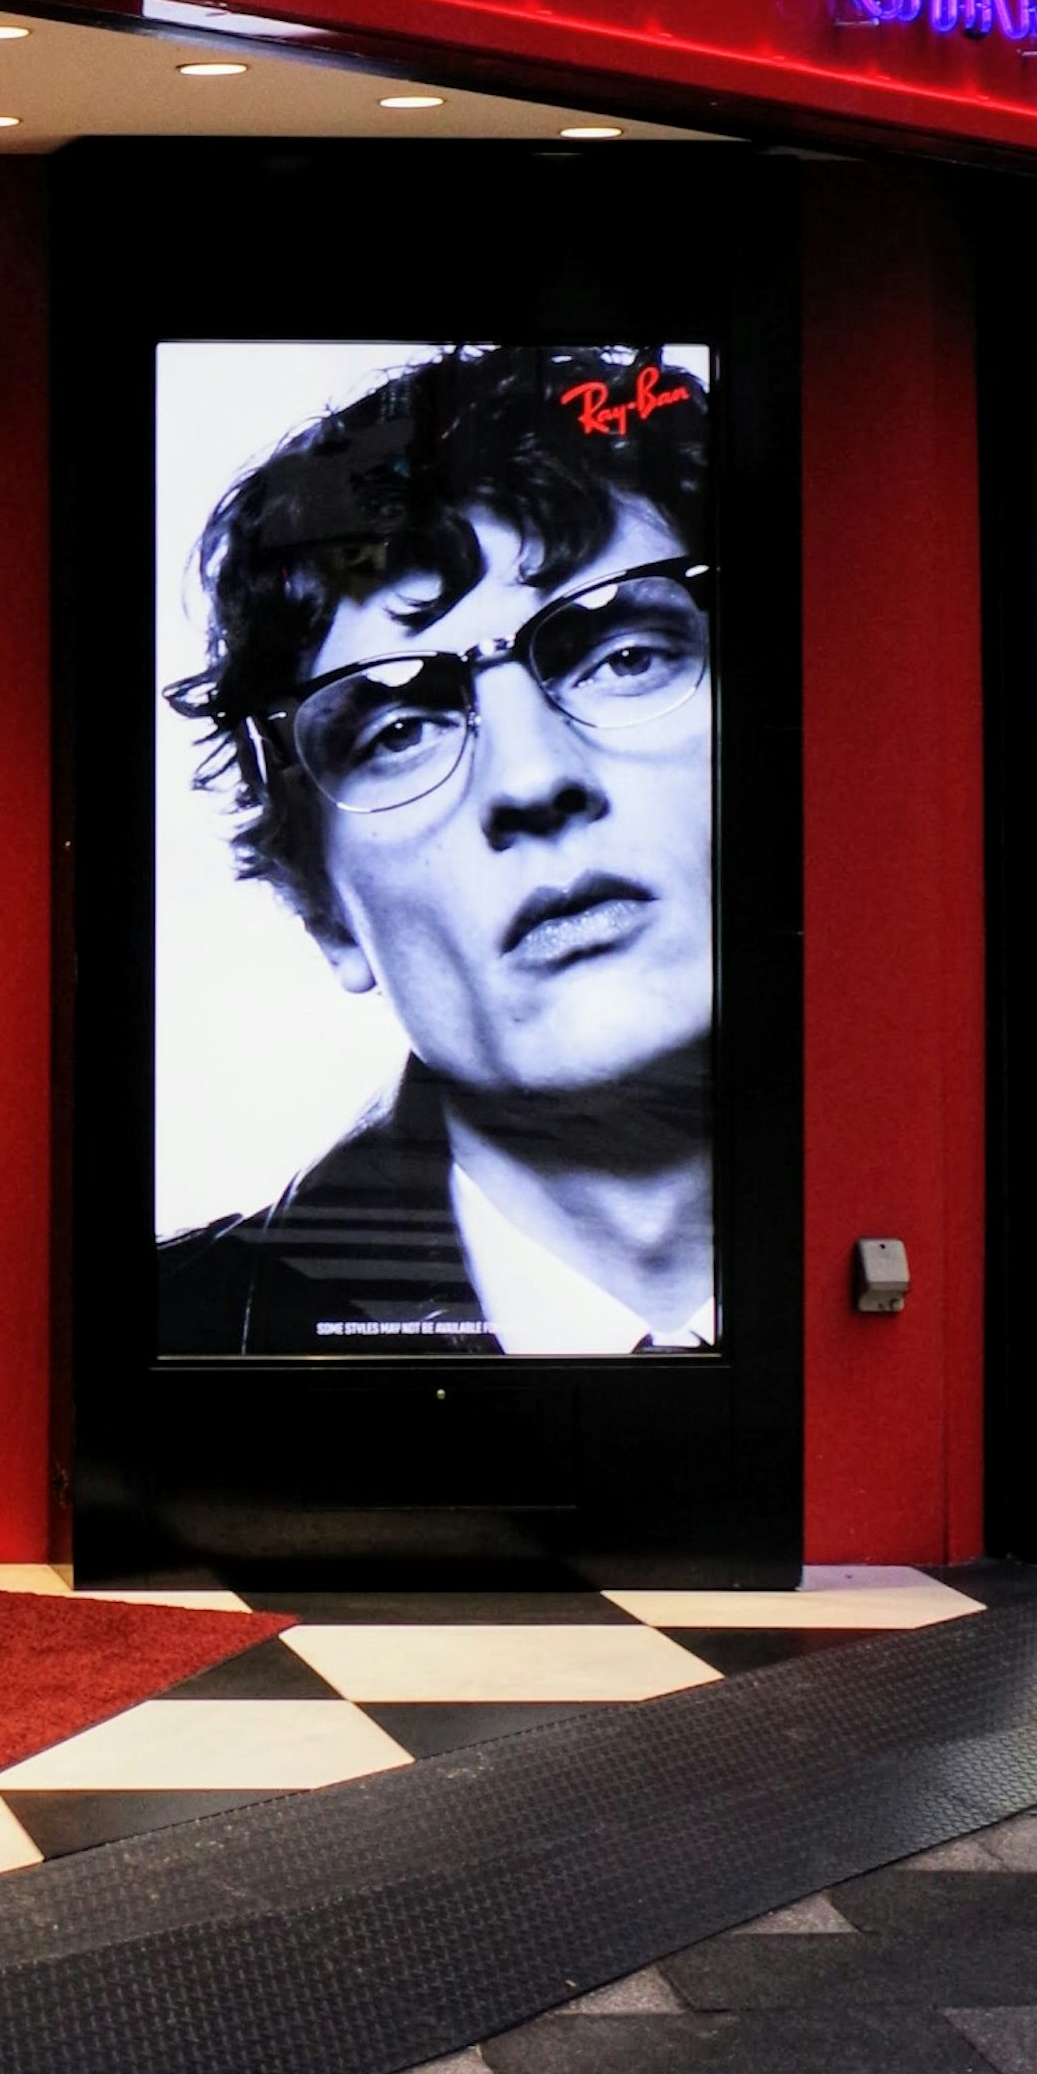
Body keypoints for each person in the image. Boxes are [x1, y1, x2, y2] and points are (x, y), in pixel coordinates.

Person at [158, 343, 718, 1357]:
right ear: (324, 910)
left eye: (623, 656)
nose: (530, 781)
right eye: (400, 730)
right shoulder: (179, 1328)